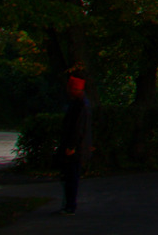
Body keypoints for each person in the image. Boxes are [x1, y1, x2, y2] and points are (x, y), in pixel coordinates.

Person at [56, 73, 92, 216]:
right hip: (77, 147)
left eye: (71, 89)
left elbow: (77, 128)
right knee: (70, 176)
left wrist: (71, 146)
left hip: (75, 149)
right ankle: (68, 204)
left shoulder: (80, 105)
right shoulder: (81, 103)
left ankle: (70, 206)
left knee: (71, 177)